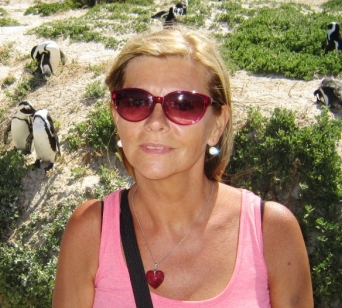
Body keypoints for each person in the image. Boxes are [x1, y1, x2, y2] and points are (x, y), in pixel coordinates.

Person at [53, 27, 313, 307]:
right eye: (136, 102)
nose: (155, 122)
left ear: (217, 125)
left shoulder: (271, 232)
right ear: (116, 117)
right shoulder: (91, 232)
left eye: (183, 105)